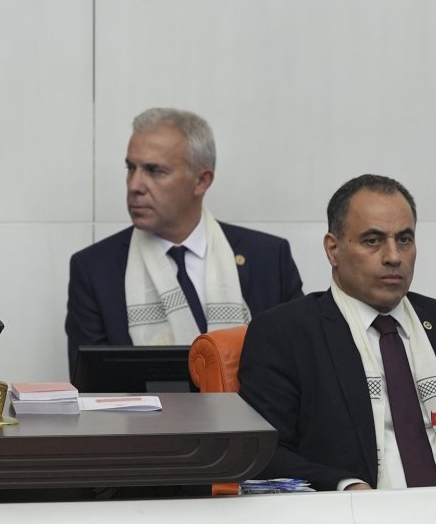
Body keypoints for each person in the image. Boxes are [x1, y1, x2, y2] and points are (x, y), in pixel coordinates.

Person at [237, 174, 436, 490]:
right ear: (333, 249)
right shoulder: (286, 332)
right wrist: (346, 485)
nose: (393, 256)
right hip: (350, 521)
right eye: (373, 240)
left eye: (404, 239)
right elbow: (264, 454)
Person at [64, 107, 302, 371]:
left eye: (154, 171)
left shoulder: (268, 259)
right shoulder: (94, 268)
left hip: (251, 413)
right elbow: (91, 385)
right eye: (131, 168)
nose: (135, 185)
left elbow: (298, 367)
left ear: (201, 181)